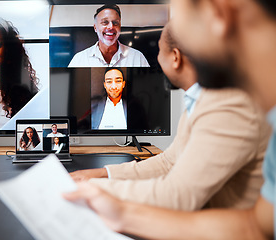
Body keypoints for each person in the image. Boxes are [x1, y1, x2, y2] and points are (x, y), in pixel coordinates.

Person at [64, 0, 276, 238]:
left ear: (220, 13)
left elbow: (178, 195)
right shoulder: (199, 101)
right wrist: (103, 174)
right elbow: (168, 162)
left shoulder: (230, 103)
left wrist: (98, 191)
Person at [68, 4, 150, 67]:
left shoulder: (137, 57)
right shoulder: (79, 59)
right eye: (105, 22)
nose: (111, 27)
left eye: (115, 23)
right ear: (95, 28)